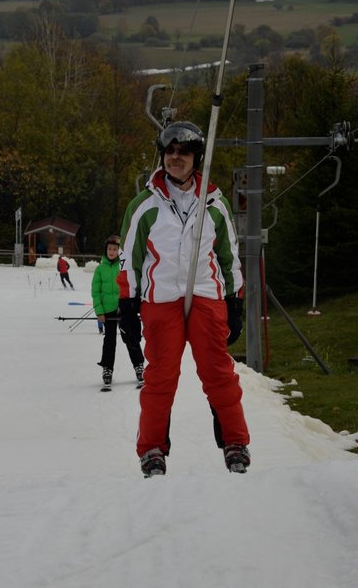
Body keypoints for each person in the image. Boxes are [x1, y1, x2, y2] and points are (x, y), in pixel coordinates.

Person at [117, 120, 248, 477]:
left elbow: (229, 257)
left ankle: (235, 441)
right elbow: (129, 260)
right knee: (161, 376)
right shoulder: (145, 205)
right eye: (170, 152)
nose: (176, 158)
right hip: (162, 300)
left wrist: (235, 303)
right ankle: (152, 448)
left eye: (184, 152)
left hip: (207, 295)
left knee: (218, 371)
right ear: (163, 156)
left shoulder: (215, 205)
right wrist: (128, 307)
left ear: (196, 158)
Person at [92, 235, 145, 388]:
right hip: (107, 311)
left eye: (115, 249)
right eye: (109, 249)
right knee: (109, 341)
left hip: (124, 308)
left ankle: (139, 366)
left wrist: (135, 305)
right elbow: (95, 292)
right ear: (106, 250)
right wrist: (99, 312)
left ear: (119, 251)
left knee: (130, 338)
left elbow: (132, 285)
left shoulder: (124, 266)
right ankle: (107, 368)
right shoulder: (100, 269)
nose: (112, 251)